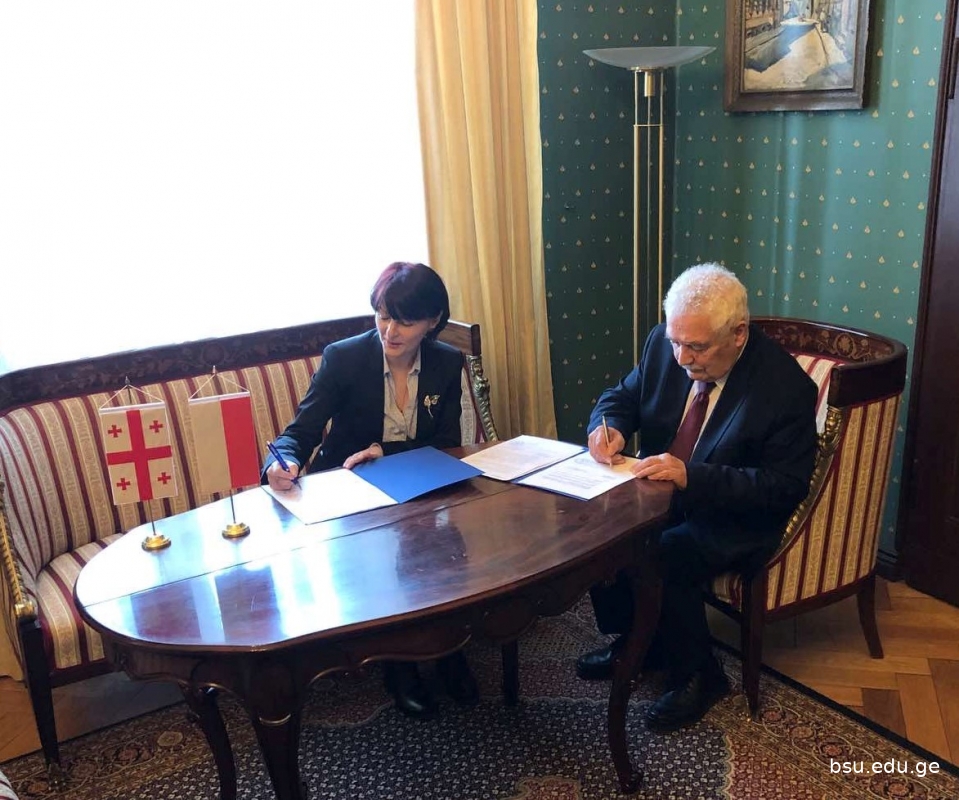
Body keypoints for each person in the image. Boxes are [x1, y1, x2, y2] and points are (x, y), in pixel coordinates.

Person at [576, 262, 817, 732]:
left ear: (739, 334)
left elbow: (783, 486)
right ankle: (641, 641)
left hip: (736, 513)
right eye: (676, 342)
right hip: (666, 490)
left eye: (697, 347)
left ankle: (700, 674)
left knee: (664, 552)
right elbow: (621, 397)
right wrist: (610, 428)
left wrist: (693, 477)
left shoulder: (784, 389)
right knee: (599, 525)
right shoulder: (663, 345)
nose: (682, 358)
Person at [264, 261, 479, 720]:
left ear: (432, 321)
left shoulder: (446, 362)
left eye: (405, 321)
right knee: (385, 557)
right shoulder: (345, 358)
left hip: (416, 484)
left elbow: (447, 442)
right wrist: (281, 462)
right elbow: (300, 432)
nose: (390, 331)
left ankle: (449, 651)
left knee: (446, 544)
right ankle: (400, 664)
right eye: (382, 316)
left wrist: (388, 452)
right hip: (350, 491)